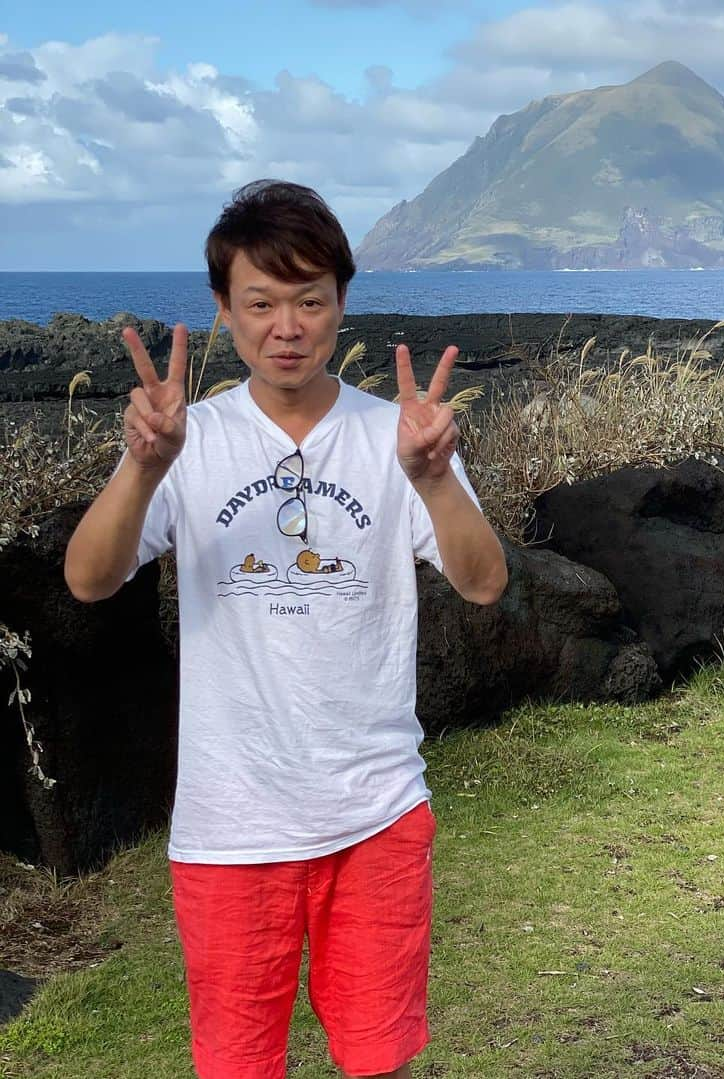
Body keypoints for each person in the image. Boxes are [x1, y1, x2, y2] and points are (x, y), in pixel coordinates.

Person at [64, 179, 508, 1079]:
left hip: (376, 813)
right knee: (238, 1064)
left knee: (377, 1058)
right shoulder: (189, 441)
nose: (288, 324)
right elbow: (88, 577)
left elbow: (485, 581)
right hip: (231, 824)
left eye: (310, 299)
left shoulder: (397, 437)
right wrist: (143, 468)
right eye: (261, 302)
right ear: (224, 311)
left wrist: (431, 479)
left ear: (342, 303)